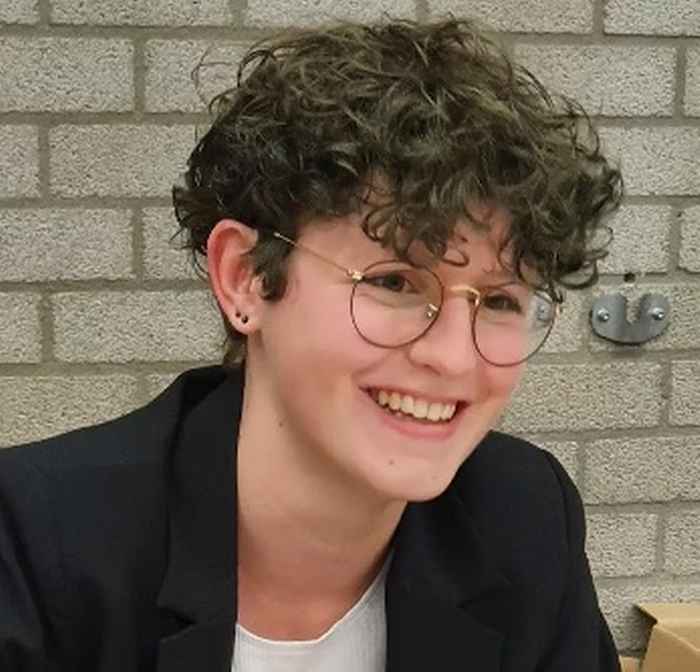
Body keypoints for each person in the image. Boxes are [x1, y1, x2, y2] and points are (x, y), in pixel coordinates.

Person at [0, 17, 623, 672]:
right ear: (245, 278)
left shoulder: (523, 518)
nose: (452, 358)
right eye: (393, 282)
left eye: (499, 301)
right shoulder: (34, 545)